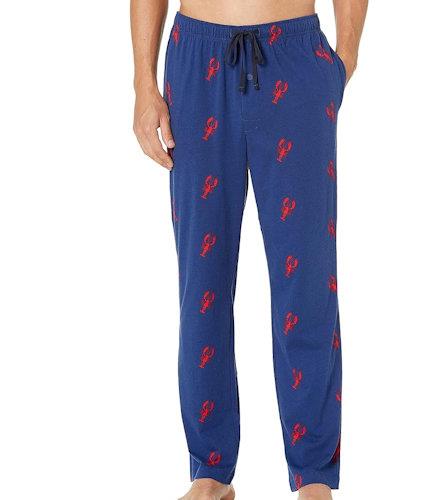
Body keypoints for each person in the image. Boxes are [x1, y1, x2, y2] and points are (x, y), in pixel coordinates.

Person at [131, 0, 367, 498]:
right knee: (202, 283)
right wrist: (143, 83)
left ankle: (314, 474)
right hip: (197, 63)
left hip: (295, 58)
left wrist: (345, 56)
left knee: (307, 279)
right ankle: (210, 471)